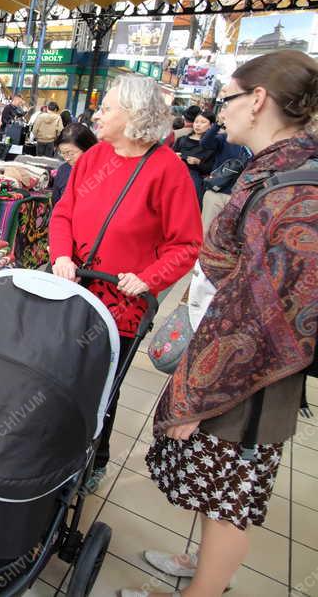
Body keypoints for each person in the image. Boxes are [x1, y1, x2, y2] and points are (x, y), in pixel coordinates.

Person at [122, 51, 318, 597]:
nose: (217, 111)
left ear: (258, 100)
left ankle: (203, 590)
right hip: (231, 359)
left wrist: (196, 394)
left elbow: (264, 311)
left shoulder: (297, 188)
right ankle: (202, 565)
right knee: (217, 484)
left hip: (246, 375)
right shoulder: (274, 167)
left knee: (231, 495)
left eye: (226, 98)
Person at [50, 74, 202, 492]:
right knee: (61, 373)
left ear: (134, 115)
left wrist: (148, 278)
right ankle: (54, 451)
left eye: (108, 107)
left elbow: (186, 244)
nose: (97, 114)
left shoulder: (168, 171)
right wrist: (62, 254)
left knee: (102, 386)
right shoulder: (95, 158)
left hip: (122, 305)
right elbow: (64, 213)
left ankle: (94, 457)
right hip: (76, 289)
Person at [199, 115, 250, 233]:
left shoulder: (253, 144)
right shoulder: (224, 138)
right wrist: (217, 125)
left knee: (227, 235)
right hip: (216, 193)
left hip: (239, 196)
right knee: (206, 231)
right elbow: (205, 143)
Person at [174, 111, 218, 206]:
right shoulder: (181, 140)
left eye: (203, 122)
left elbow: (211, 168)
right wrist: (174, 157)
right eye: (196, 122)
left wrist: (198, 162)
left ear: (211, 126)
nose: (198, 125)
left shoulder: (212, 144)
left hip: (194, 178)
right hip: (175, 173)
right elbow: (169, 156)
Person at [51, 123, 97, 204]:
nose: (67, 158)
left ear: (87, 148)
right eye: (62, 153)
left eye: (71, 153)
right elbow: (56, 202)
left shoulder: (101, 170)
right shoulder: (63, 170)